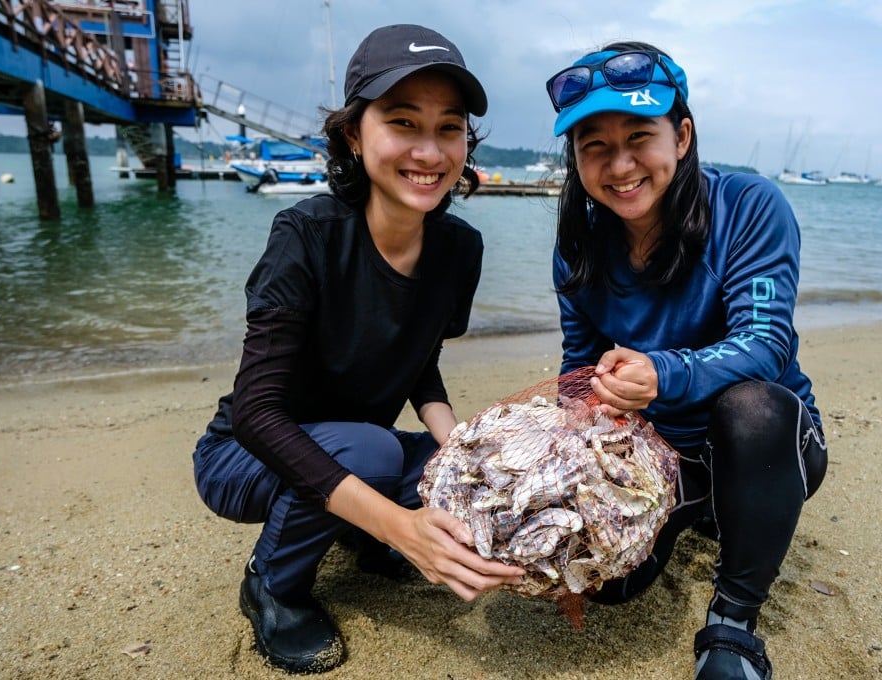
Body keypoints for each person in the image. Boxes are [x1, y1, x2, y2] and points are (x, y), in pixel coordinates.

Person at [192, 24, 524, 674]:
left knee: (443, 467)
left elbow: (418, 359)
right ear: (353, 133)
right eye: (403, 122)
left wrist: (457, 444)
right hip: (243, 453)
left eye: (448, 128)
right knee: (372, 452)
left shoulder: (460, 250)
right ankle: (272, 586)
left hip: (347, 443)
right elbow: (257, 413)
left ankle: (357, 526)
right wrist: (401, 528)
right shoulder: (306, 236)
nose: (429, 151)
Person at [545, 43, 828, 679]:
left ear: (682, 134)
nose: (620, 165)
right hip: (662, 457)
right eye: (594, 145)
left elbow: (766, 343)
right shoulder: (578, 246)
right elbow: (577, 370)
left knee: (751, 406)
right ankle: (699, 507)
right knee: (610, 586)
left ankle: (732, 622)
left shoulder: (750, 206)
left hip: (771, 444)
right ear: (576, 159)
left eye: (639, 137)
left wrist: (662, 373)